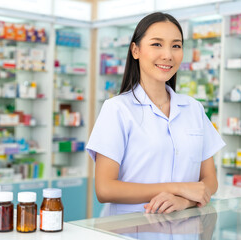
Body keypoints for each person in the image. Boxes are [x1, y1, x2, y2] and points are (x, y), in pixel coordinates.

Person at [86, 12, 225, 216]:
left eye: (176, 46)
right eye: (157, 44)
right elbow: (105, 189)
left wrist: (183, 201)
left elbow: (210, 181)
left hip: (185, 228)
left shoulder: (193, 108)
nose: (168, 55)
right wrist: (177, 188)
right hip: (128, 229)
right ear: (135, 50)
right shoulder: (117, 109)